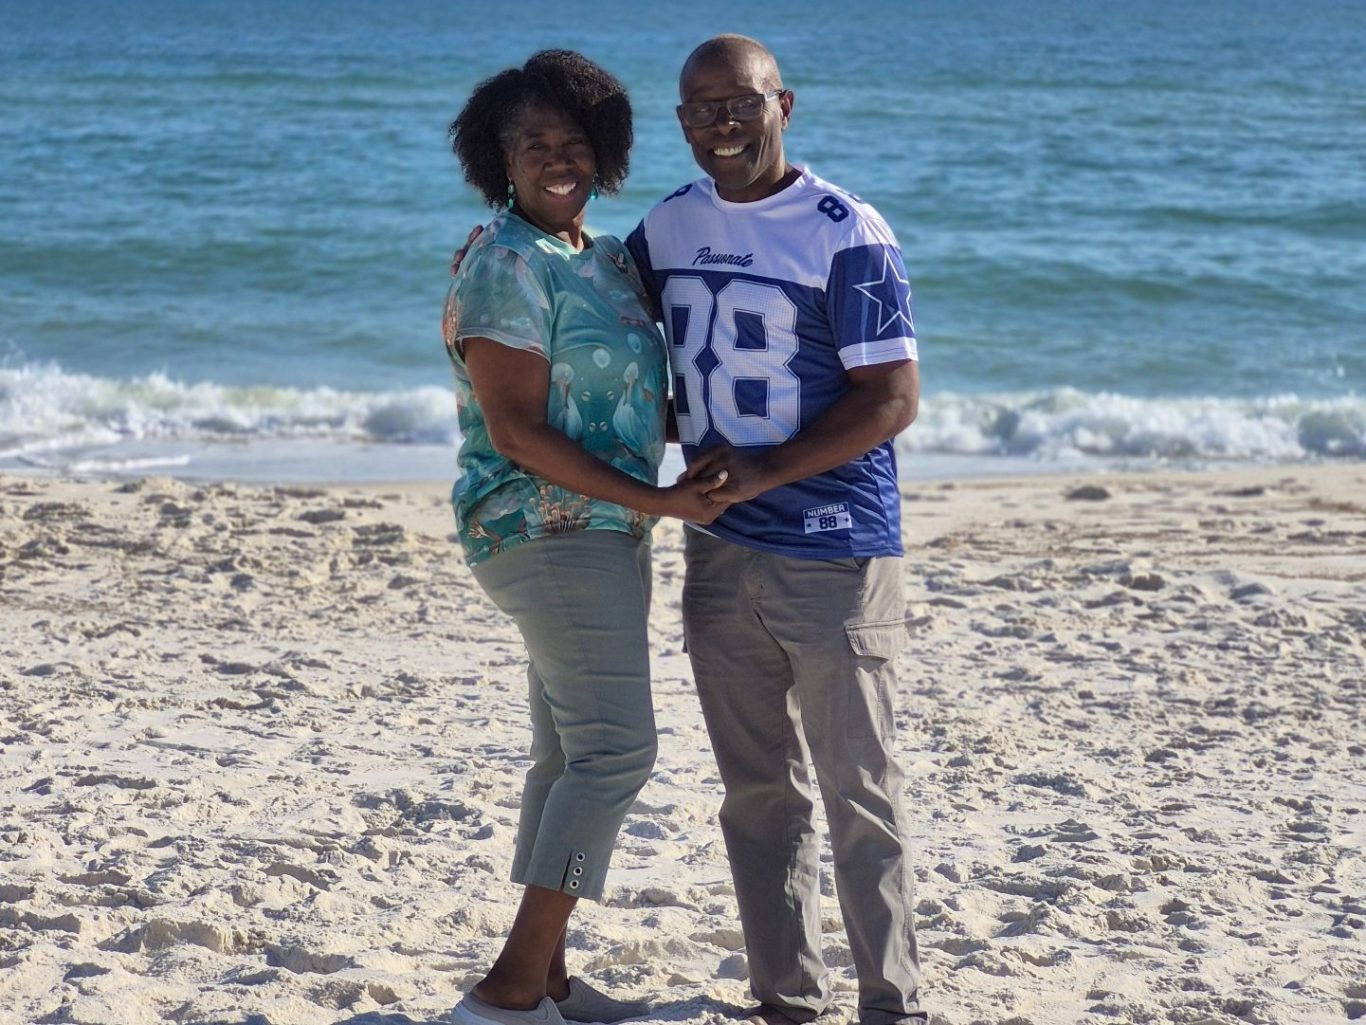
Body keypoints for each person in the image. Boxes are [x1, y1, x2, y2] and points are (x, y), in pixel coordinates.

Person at [623, 35, 926, 1025]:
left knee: (858, 789)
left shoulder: (846, 231)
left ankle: (890, 1003)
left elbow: (892, 399)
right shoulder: (666, 227)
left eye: (742, 102)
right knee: (756, 792)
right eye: (701, 107)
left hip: (836, 546)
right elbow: (602, 334)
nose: (722, 123)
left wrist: (767, 468)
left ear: (782, 106)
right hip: (718, 548)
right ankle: (787, 998)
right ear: (680, 121)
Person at [442, 50, 729, 1025]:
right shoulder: (505, 262)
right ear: (501, 159)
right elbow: (518, 431)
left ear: (603, 151)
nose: (557, 158)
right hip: (542, 524)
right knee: (616, 752)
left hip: (605, 528)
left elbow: (635, 397)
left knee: (567, 755)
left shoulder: (599, 257)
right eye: (534, 143)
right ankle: (508, 988)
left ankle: (550, 983)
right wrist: (663, 502)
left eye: (574, 140)